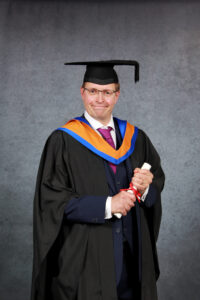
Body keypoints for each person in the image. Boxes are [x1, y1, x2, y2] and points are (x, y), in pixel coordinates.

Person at [31, 60, 165, 300]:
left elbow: (156, 188)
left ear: (117, 95)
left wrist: (146, 189)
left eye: (107, 92)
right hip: (86, 262)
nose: (100, 99)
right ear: (82, 93)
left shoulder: (137, 138)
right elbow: (51, 201)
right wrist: (107, 205)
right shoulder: (63, 141)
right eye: (93, 91)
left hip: (133, 265)